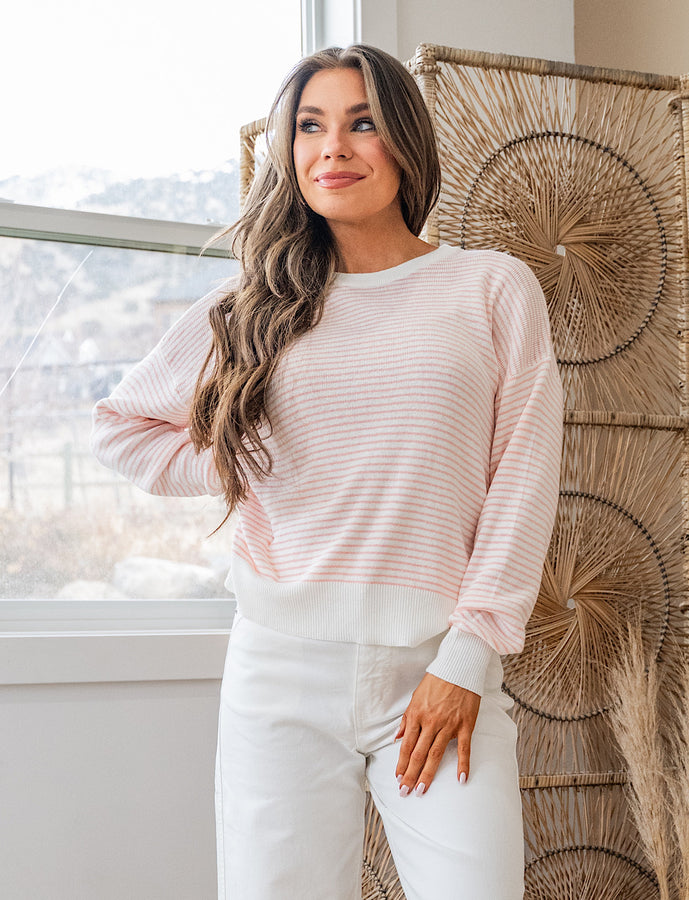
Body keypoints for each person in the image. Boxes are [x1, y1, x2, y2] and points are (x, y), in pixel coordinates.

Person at [91, 43, 563, 900]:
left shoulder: (491, 287)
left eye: (362, 123)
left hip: (438, 662)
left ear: (406, 142)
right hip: (280, 672)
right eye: (310, 126)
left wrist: (466, 660)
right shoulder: (253, 306)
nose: (333, 148)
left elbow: (523, 479)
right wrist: (251, 460)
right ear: (289, 150)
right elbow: (122, 428)